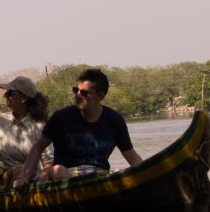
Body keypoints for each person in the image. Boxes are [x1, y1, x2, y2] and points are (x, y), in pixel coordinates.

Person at [15, 68, 143, 186]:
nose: (78, 95)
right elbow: (38, 147)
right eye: (76, 90)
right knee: (58, 170)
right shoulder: (60, 118)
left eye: (85, 93)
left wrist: (146, 175)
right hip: (64, 176)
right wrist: (25, 177)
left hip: (99, 177)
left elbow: (131, 156)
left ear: (101, 96)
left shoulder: (115, 121)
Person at [0, 76, 53, 189]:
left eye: (10, 93)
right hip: (3, 177)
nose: (5, 95)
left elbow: (48, 162)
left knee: (21, 169)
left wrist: (44, 174)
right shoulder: (0, 120)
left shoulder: (39, 126)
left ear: (23, 98)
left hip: (28, 180)